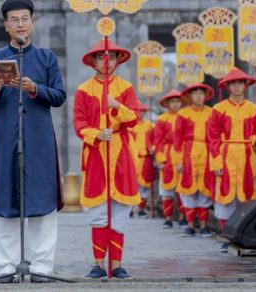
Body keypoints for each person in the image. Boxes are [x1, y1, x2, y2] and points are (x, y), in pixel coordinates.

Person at [0, 0, 67, 282]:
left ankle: (41, 267)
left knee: (42, 202)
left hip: (38, 141)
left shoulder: (46, 58)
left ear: (32, 23)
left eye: (24, 19)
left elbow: (60, 96)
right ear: (6, 26)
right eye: (14, 20)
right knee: (5, 202)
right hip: (5, 138)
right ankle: (6, 267)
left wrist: (35, 88)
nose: (20, 24)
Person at [73, 39, 142, 280]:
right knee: (99, 212)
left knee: (120, 211)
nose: (106, 62)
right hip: (95, 153)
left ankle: (117, 264)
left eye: (111, 57)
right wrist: (95, 134)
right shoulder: (83, 90)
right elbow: (79, 123)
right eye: (101, 58)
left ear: (117, 60)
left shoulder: (125, 87)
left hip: (121, 151)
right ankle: (98, 263)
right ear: (93, 61)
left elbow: (133, 118)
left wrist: (116, 105)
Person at [207, 68, 256, 249]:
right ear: (228, 86)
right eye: (233, 83)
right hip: (226, 154)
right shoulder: (218, 109)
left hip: (248, 155)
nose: (237, 86)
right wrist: (216, 162)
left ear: (246, 85)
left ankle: (243, 235)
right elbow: (213, 137)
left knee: (247, 194)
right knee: (226, 196)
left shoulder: (254, 109)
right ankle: (226, 236)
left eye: (240, 83)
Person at [173, 82, 215, 237]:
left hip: (207, 151)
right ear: (190, 96)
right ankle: (190, 225)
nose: (198, 96)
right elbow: (177, 138)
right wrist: (178, 161)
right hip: (188, 152)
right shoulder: (183, 114)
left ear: (205, 96)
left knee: (205, 191)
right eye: (195, 93)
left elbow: (216, 136)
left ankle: (204, 226)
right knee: (188, 190)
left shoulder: (212, 112)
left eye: (201, 93)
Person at [152, 89, 184, 229]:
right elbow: (158, 141)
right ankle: (168, 218)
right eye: (173, 101)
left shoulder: (185, 117)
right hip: (167, 154)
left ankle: (183, 218)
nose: (176, 104)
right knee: (166, 191)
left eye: (178, 101)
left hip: (182, 153)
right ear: (167, 103)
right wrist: (160, 160)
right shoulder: (161, 119)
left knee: (183, 189)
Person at [129, 104, 155, 218]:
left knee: (145, 185)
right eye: (139, 111)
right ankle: (129, 209)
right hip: (133, 159)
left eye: (143, 111)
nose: (141, 113)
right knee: (132, 185)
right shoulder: (130, 126)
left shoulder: (150, 125)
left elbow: (155, 138)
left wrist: (153, 148)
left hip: (146, 159)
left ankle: (140, 209)